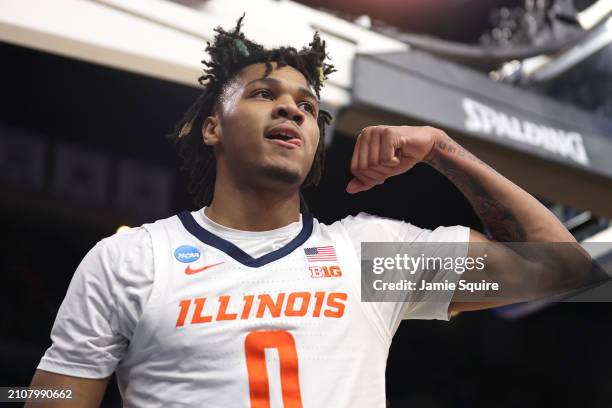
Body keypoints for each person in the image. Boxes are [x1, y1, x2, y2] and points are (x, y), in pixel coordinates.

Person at [27, 16, 582, 408]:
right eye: (263, 94)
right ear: (212, 127)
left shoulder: (368, 259)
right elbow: (49, 394)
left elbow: (564, 269)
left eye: (308, 105)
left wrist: (444, 150)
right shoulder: (130, 259)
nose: (292, 105)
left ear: (316, 139)